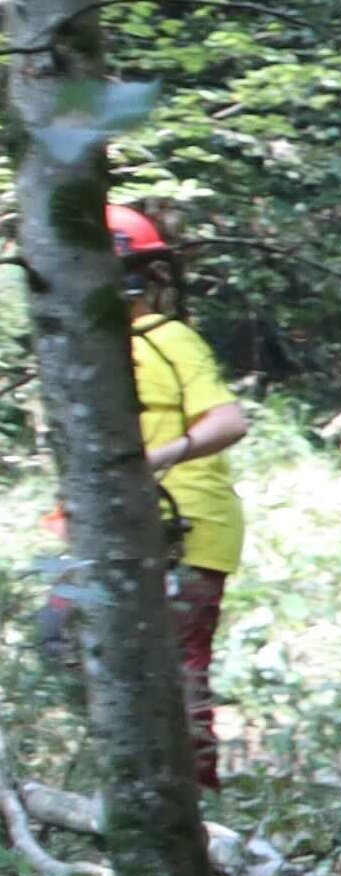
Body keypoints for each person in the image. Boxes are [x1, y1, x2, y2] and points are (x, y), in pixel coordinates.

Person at [28, 203, 259, 787]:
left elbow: (229, 421)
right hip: (115, 525)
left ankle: (195, 800)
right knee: (59, 630)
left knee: (180, 666)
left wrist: (158, 457)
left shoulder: (168, 338)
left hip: (188, 526)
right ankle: (127, 773)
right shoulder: (85, 351)